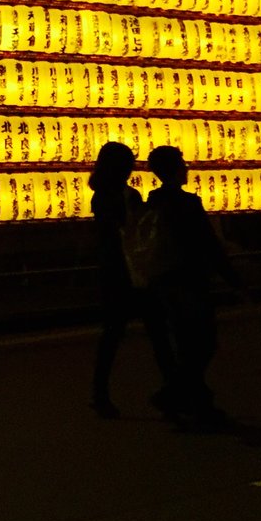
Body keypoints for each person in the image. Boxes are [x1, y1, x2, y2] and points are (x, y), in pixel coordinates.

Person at [144, 146, 242, 427]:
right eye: (182, 164)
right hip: (190, 279)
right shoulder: (186, 204)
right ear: (176, 169)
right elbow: (208, 245)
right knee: (203, 341)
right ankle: (176, 394)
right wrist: (234, 280)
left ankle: (194, 402)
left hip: (163, 280)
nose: (187, 168)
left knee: (185, 342)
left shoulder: (151, 202)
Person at [86, 142, 174, 418]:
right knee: (157, 333)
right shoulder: (124, 196)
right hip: (132, 274)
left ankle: (101, 394)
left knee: (113, 336)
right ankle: (174, 389)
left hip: (114, 274)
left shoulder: (101, 196)